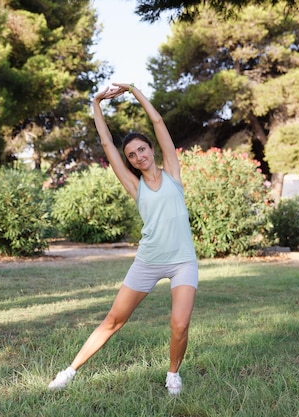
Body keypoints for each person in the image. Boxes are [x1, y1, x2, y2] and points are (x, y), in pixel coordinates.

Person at [48, 83, 198, 395]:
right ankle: (69, 372)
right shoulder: (134, 185)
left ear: (151, 150)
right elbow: (106, 143)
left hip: (183, 261)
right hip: (148, 261)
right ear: (128, 161)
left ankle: (172, 375)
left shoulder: (172, 172)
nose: (138, 156)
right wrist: (96, 103)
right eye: (131, 154)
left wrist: (133, 90)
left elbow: (158, 123)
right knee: (113, 321)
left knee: (180, 324)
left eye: (142, 149)